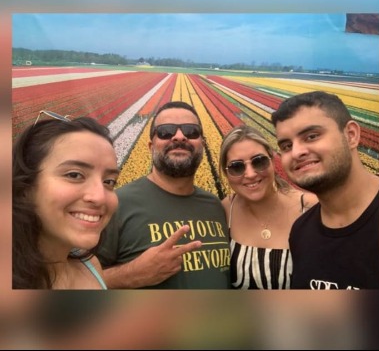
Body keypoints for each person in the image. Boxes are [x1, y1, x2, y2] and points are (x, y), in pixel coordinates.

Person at [97, 101, 231, 289]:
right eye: (165, 132)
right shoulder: (117, 204)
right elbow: (73, 280)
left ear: (203, 144)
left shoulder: (215, 206)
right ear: (151, 146)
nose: (179, 136)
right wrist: (131, 274)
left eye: (191, 131)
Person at [271, 91, 379, 289]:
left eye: (311, 136)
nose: (296, 152)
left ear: (351, 135)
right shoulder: (301, 233)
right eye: (286, 146)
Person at [12, 111, 120, 289]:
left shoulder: (90, 266)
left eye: (109, 182)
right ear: (25, 186)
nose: (100, 197)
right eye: (74, 175)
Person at [219, 125, 318, 289]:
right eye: (237, 167)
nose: (250, 174)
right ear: (226, 172)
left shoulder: (309, 208)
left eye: (259, 161)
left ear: (272, 161)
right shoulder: (226, 209)